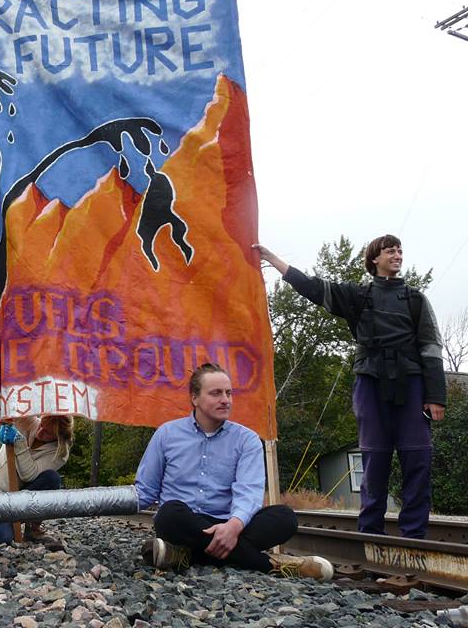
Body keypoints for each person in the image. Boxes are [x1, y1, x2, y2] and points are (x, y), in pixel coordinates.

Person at [255, 237, 445, 539]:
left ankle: (414, 539)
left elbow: (431, 347)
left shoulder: (415, 299)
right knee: (374, 463)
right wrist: (274, 260)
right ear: (374, 259)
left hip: (411, 385)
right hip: (370, 383)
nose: (396, 255)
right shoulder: (358, 295)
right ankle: (370, 538)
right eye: (389, 251)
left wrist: (436, 396)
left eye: (399, 250)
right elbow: (313, 288)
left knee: (417, 461)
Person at [135, 363, 333, 580]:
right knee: (168, 515)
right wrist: (98, 501)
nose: (225, 400)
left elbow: (249, 491)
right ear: (195, 398)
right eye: (216, 393)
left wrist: (234, 526)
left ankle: (187, 555)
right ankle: (271, 565)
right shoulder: (166, 434)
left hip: (229, 522)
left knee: (285, 518)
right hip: (185, 522)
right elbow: (145, 491)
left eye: (229, 393)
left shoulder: (247, 439)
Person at [0, 414, 73, 550]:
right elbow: (5, 411)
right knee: (2, 539)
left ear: (58, 436)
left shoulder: (59, 453)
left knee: (52, 479)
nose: (40, 431)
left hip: (19, 498)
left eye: (47, 432)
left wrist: (19, 443)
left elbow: (29, 475)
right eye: (41, 425)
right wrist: (4, 422)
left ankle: (31, 527)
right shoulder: (27, 421)